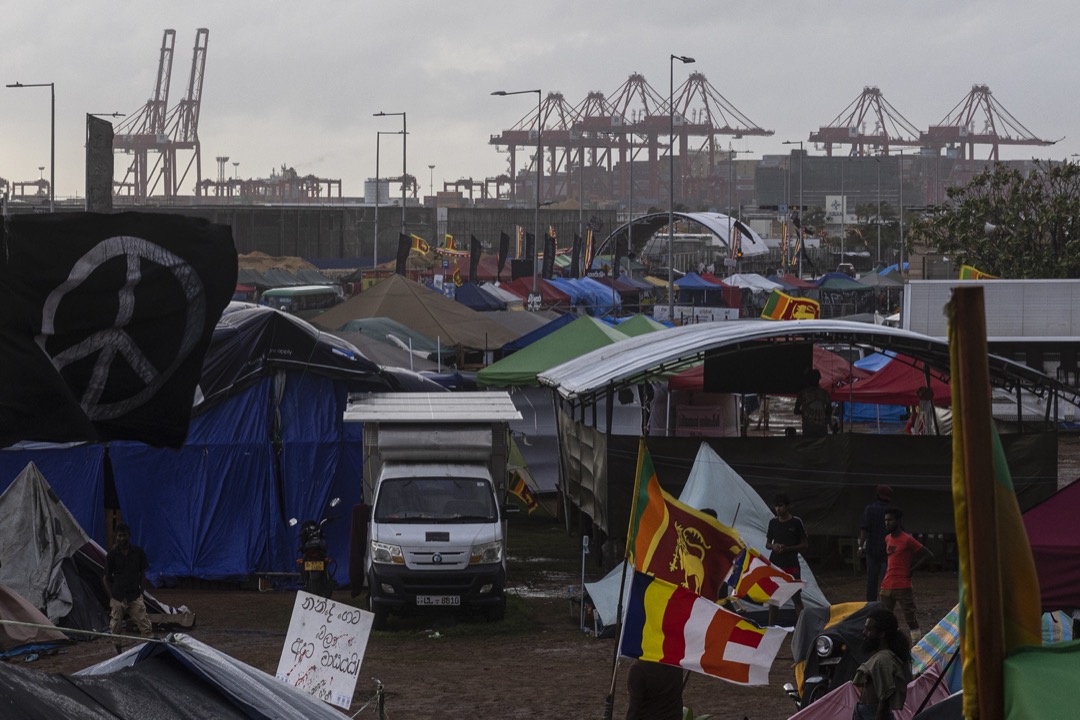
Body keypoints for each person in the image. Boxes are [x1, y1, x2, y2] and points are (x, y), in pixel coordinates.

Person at [879, 507, 933, 642]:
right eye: (885, 520)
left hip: (902, 584)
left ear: (897, 521)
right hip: (887, 584)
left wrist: (912, 569)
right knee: (884, 617)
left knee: (910, 618)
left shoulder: (907, 539)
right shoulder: (887, 539)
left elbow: (928, 554)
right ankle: (888, 642)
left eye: (890, 520)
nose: (887, 523)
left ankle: (916, 643)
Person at [852, 607, 912, 720]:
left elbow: (884, 701)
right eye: (865, 628)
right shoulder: (881, 656)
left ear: (882, 634)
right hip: (865, 712)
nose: (864, 633)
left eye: (869, 630)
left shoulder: (883, 660)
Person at [103, 522, 154, 654]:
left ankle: (150, 650)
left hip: (134, 595)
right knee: (116, 626)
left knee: (145, 624)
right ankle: (119, 653)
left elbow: (143, 574)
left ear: (129, 536)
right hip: (118, 595)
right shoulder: (112, 556)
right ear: (116, 536)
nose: (121, 538)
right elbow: (106, 578)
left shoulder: (138, 552)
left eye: (124, 535)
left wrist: (141, 593)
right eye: (119, 536)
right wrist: (112, 597)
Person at [766, 493, 808, 625]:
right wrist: (774, 546)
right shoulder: (773, 522)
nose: (778, 509)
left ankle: (802, 626)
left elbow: (804, 544)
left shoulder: (796, 522)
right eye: (776, 507)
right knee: (774, 598)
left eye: (781, 506)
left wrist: (788, 548)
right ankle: (771, 627)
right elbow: (767, 544)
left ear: (787, 507)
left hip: (791, 564)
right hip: (775, 565)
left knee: (796, 597)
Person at [858, 485, 893, 602]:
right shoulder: (891, 511)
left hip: (872, 549)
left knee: (871, 581)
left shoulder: (869, 509)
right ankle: (885, 604)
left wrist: (860, 546)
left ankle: (870, 605)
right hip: (887, 550)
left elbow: (864, 529)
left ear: (877, 495)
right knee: (886, 580)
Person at [794, 369, 832, 437]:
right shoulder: (824, 393)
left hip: (808, 426)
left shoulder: (802, 393)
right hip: (821, 426)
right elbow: (829, 411)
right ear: (819, 379)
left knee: (809, 445)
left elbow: (796, 411)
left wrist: (805, 412)